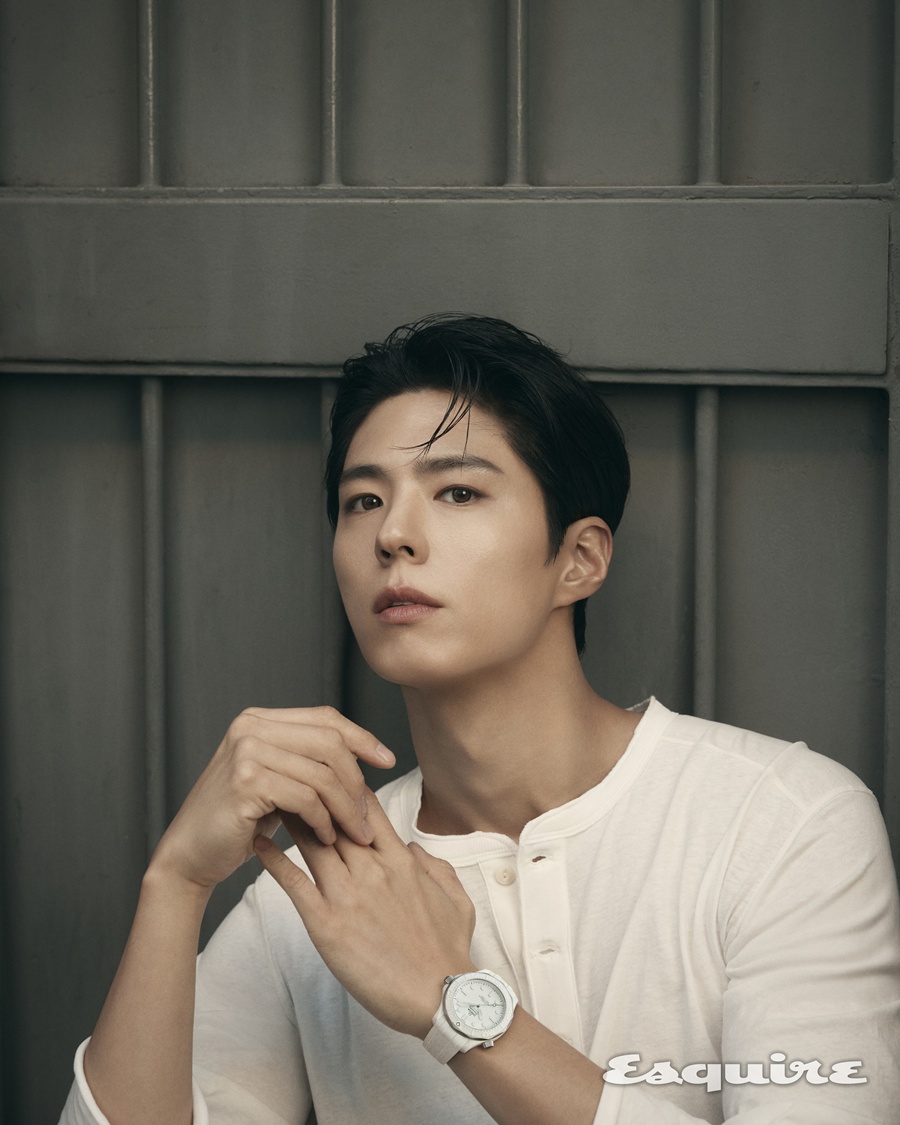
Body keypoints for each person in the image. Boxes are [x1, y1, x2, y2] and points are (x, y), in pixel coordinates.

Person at [61, 314, 900, 1125]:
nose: (394, 534)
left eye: (458, 491)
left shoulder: (783, 821)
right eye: (362, 500)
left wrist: (451, 1002)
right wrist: (176, 882)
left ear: (579, 559)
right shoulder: (320, 890)